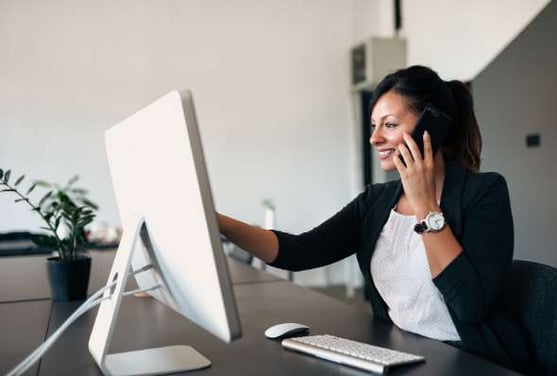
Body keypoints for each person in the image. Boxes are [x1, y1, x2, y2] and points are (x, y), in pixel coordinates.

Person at [218, 65, 534, 373]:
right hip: (406, 355)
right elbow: (299, 251)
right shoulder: (375, 202)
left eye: (390, 125)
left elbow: (471, 304)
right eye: (373, 125)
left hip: (474, 361)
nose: (375, 138)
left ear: (433, 126)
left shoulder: (483, 192)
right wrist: (218, 223)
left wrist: (425, 204)